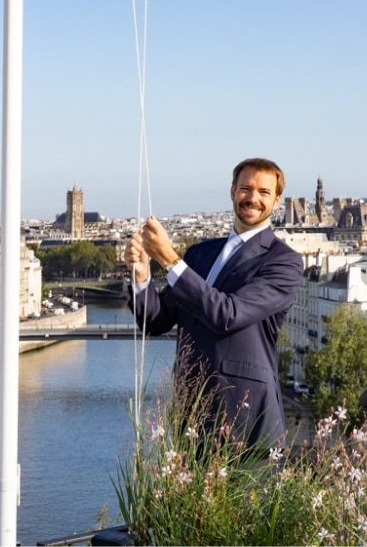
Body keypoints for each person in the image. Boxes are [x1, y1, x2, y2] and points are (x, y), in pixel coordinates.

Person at [125, 157, 303, 452]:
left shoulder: (283, 261)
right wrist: (142, 278)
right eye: (246, 188)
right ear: (232, 191)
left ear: (277, 200)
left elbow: (228, 315)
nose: (253, 198)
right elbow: (156, 322)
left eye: (264, 192)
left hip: (247, 421)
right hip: (190, 414)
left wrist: (168, 259)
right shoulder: (199, 253)